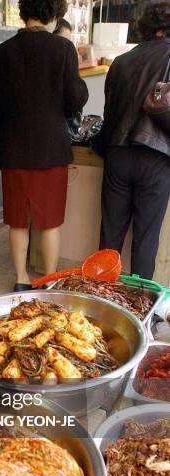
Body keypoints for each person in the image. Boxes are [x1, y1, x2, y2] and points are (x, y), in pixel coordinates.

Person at [0, 0, 88, 291]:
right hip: (50, 148)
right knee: (50, 220)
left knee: (18, 220)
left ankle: (20, 278)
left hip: (13, 148)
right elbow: (75, 99)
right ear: (55, 16)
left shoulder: (1, 52)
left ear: (23, 13)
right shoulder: (63, 49)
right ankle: (48, 281)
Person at [98, 0, 170, 279]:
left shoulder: (122, 61)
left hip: (117, 153)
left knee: (110, 235)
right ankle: (140, 311)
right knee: (145, 239)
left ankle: (100, 304)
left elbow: (109, 112)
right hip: (157, 157)